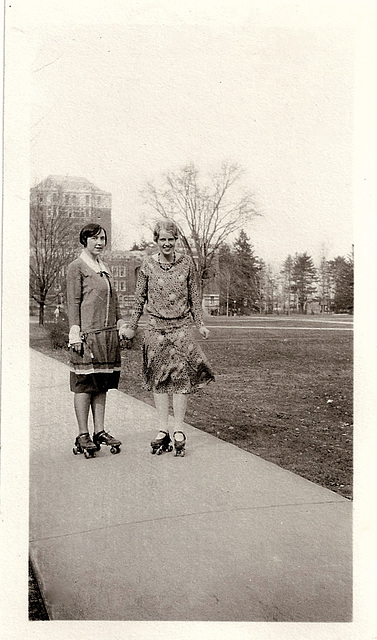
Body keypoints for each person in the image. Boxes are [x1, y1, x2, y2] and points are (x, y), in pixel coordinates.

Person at [120, 219, 214, 456]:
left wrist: (200, 325)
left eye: (171, 239)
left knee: (181, 378)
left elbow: (194, 296)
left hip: (181, 328)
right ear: (156, 241)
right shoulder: (148, 265)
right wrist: (132, 326)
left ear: (176, 240)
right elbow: (139, 297)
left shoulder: (186, 265)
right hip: (155, 330)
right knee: (159, 378)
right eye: (162, 239)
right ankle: (162, 429)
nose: (167, 244)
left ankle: (179, 429)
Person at [67, 223, 126, 458]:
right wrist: (75, 333)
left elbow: (116, 300)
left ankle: (99, 431)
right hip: (86, 336)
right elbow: (73, 302)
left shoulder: (105, 268)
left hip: (107, 335)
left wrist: (120, 322)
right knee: (84, 384)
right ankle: (83, 434)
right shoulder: (77, 267)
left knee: (101, 384)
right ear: (85, 241)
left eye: (102, 238)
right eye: (94, 238)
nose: (99, 242)